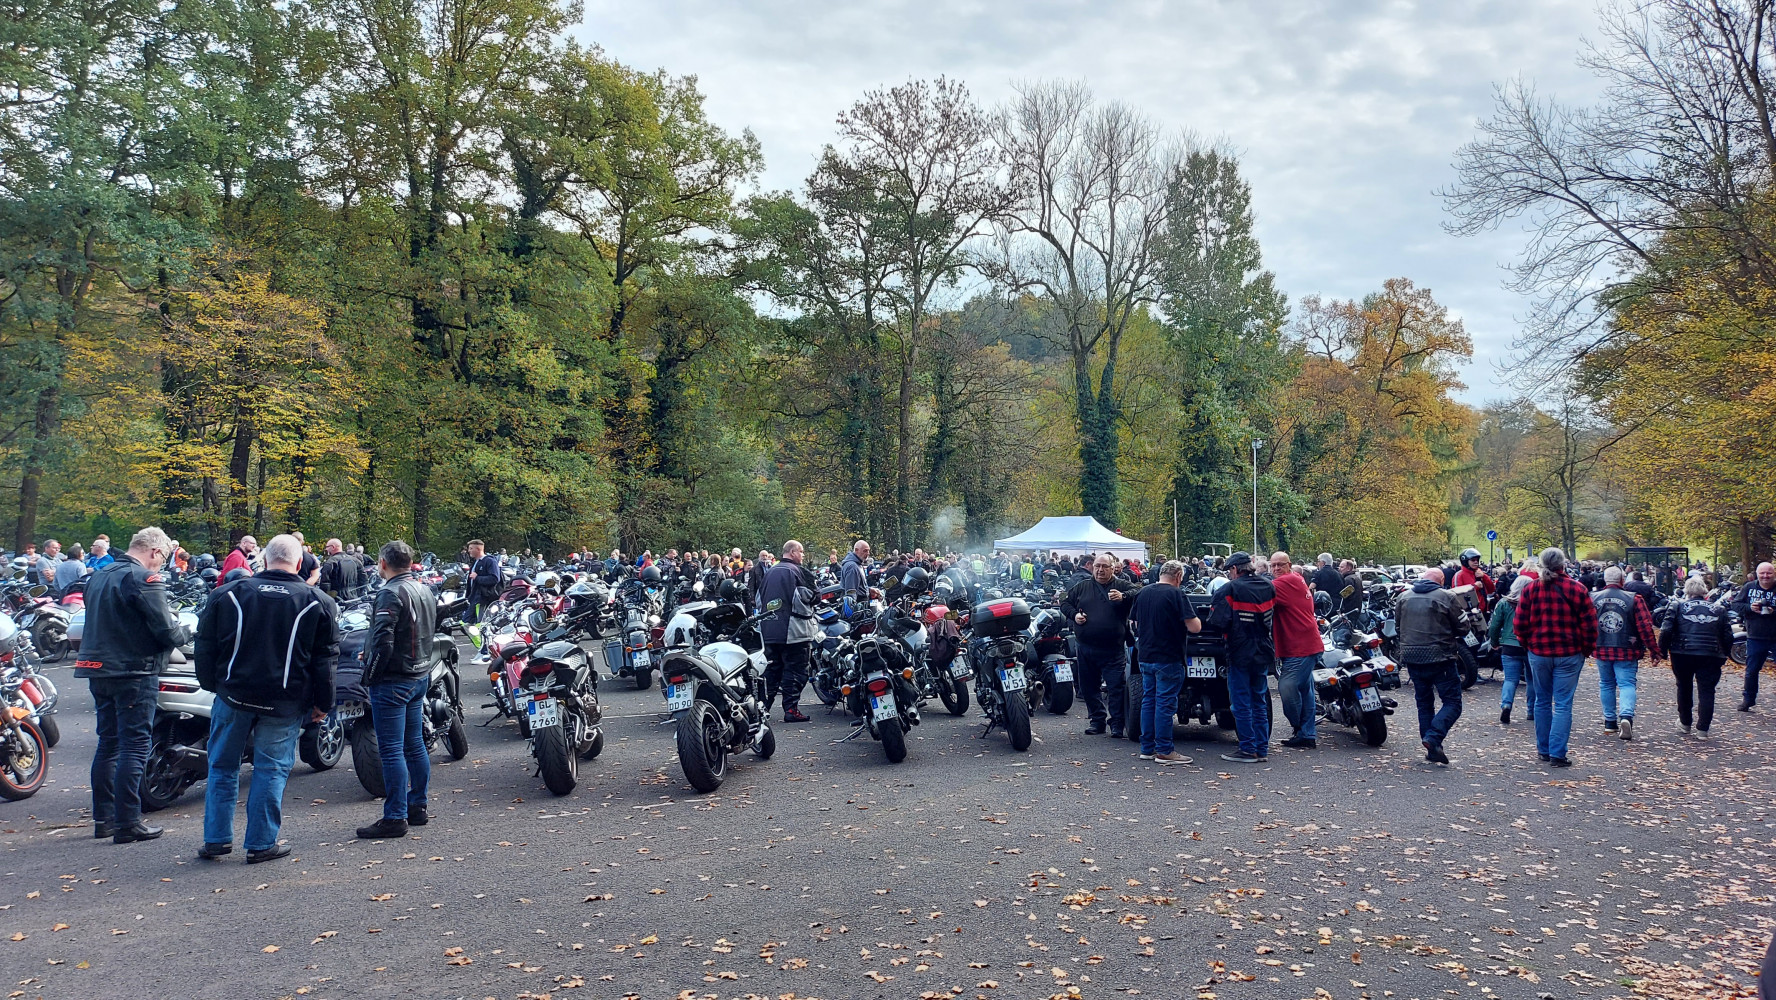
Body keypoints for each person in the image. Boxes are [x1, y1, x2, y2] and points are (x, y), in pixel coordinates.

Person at [193, 534, 338, 863]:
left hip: (233, 695)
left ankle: (216, 839)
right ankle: (261, 843)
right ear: (299, 563)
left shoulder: (226, 594)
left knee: (222, 766)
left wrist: (212, 684)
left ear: (264, 559)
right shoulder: (317, 602)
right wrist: (323, 703)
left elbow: (205, 644)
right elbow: (325, 660)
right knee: (270, 770)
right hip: (284, 702)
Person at [75, 526, 189, 843]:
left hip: (97, 667)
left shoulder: (98, 575)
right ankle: (127, 822)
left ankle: (105, 819)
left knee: (108, 743)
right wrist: (187, 633)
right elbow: (166, 631)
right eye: (163, 558)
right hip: (133, 670)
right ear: (155, 551)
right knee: (135, 745)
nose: (161, 564)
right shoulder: (143, 578)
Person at [356, 541, 436, 840]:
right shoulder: (423, 588)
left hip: (394, 679)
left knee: (391, 749)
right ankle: (417, 806)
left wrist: (370, 673)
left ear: (382, 563)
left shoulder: (390, 592)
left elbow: (383, 640)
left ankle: (395, 817)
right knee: (413, 744)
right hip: (418, 673)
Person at [1514, 547, 1596, 768]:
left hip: (1539, 652)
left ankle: (1544, 749)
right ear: (1563, 564)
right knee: (1563, 704)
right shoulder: (1577, 589)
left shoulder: (1531, 589)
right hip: (1569, 653)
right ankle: (1557, 753)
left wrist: (1528, 645)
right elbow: (1590, 625)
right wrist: (1586, 650)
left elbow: (1519, 624)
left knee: (1541, 701)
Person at [1129, 560, 1202, 765]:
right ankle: (1164, 750)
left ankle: (1147, 748)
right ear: (1178, 576)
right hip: (1168, 656)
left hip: (1145, 655)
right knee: (1164, 703)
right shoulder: (1176, 594)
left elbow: (1134, 622)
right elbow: (1194, 627)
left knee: (1148, 701)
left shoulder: (1143, 592)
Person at [1061, 553, 1141, 738]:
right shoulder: (1082, 586)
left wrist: (1123, 596)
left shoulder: (1121, 585)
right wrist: (1074, 615)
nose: (1100, 570)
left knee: (1115, 687)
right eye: (1097, 566)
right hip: (1086, 646)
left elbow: (1139, 591)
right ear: (1092, 567)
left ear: (1113, 568)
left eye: (1105, 566)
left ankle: (1117, 723)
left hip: (1113, 648)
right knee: (1088, 687)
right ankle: (1097, 721)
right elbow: (1064, 603)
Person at [1394, 567, 1467, 764]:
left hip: (1412, 656)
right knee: (1453, 702)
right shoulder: (1446, 596)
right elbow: (1463, 626)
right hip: (1440, 656)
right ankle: (1433, 738)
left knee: (1424, 702)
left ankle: (1432, 748)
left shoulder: (1403, 597)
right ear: (1441, 581)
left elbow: (1398, 626)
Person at [1208, 552, 1274, 764]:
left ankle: (1247, 749)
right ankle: (1261, 749)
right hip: (1263, 649)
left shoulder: (1230, 589)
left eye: (1230, 570)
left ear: (1235, 569)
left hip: (1239, 651)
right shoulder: (1268, 586)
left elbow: (1217, 621)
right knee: (1259, 700)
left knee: (1241, 702)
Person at [1592, 566, 1662, 741]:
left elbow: (1585, 624)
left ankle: (1609, 722)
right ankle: (1626, 716)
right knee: (1627, 684)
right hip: (1627, 649)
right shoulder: (1634, 599)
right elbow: (1645, 627)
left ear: (1605, 579)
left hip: (1601, 647)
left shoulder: (1592, 598)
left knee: (1606, 684)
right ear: (1622, 580)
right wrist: (1653, 650)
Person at [1661, 575, 1733, 738]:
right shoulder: (1719, 609)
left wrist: (1663, 651)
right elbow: (1728, 636)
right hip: (1710, 653)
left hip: (1682, 652)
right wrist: (1725, 653)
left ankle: (1685, 722)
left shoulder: (1677, 606)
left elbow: (1666, 630)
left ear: (1686, 591)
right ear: (1704, 591)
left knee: (1684, 686)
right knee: (1707, 690)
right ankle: (1703, 729)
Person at [758, 539, 818, 723]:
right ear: (792, 552)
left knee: (771, 672)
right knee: (796, 670)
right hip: (794, 631)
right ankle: (791, 710)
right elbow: (812, 596)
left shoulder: (769, 572)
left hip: (769, 630)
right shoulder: (799, 571)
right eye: (801, 552)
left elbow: (758, 599)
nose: (803, 555)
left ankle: (761, 711)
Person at [1268, 551, 1322, 749]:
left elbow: (1260, 590)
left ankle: (1299, 726)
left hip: (1300, 647)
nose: (1276, 568)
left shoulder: (1285, 582)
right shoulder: (1297, 578)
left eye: (1280, 565)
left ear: (1289, 565)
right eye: (1273, 565)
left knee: (1287, 687)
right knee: (1306, 692)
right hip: (1307, 644)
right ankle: (1307, 735)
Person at [1488, 574, 1534, 724]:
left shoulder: (1503, 603)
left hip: (1509, 646)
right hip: (1530, 646)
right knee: (1532, 680)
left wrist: (1494, 642)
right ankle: (1531, 710)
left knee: (1510, 679)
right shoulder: (1534, 603)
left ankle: (1506, 705)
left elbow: (1494, 626)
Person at [1732, 562, 1776, 712]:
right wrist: (1750, 608)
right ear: (1757, 574)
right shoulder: (1749, 587)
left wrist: (1773, 611)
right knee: (1751, 671)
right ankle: (1748, 700)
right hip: (1755, 636)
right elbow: (1736, 605)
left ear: (1774, 573)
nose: (1765, 576)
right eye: (1762, 573)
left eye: (1769, 573)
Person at [465, 539, 501, 623]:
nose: (469, 551)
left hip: (482, 599)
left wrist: (477, 578)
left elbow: (495, 578)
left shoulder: (490, 561)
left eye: (471, 548)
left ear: (478, 549)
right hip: (474, 598)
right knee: (466, 623)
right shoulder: (476, 562)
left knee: (478, 623)